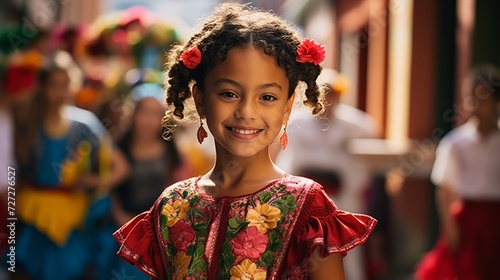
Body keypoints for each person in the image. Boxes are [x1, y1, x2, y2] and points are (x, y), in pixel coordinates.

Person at [114, 3, 377, 279]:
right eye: (229, 93)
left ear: (287, 108)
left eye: (267, 97)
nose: (247, 112)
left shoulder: (308, 207)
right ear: (201, 100)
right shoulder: (172, 206)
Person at [13, 52, 128, 280]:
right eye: (53, 85)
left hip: (72, 218)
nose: (60, 92)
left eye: (65, 84)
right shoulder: (28, 122)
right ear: (42, 87)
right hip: (33, 214)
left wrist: (93, 181)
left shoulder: (84, 125)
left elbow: (120, 167)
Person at [274, 68, 379, 280]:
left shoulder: (358, 124)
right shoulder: (296, 123)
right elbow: (288, 160)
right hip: (305, 193)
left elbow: (366, 161)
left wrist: (353, 186)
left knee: (347, 244)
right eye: (323, 93)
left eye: (332, 93)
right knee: (303, 243)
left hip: (343, 194)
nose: (328, 99)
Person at [415, 65, 500, 279]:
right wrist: (450, 226)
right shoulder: (456, 142)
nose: (477, 105)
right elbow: (444, 187)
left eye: (484, 98)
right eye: (473, 98)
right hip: (467, 221)